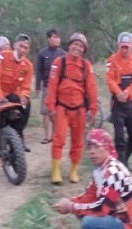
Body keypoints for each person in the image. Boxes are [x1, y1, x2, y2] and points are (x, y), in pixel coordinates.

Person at [51, 129, 132, 229]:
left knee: (88, 222)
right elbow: (90, 194)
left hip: (128, 226)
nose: (92, 151)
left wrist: (71, 207)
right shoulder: (101, 168)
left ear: (106, 148)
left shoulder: (113, 172)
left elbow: (101, 208)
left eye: (97, 146)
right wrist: (72, 202)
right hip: (118, 218)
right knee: (81, 213)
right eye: (89, 147)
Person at [45, 32, 98, 185]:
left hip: (79, 109)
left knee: (78, 142)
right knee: (58, 139)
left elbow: (92, 88)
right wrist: (51, 107)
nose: (77, 48)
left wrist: (93, 109)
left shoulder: (86, 66)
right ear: (69, 46)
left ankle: (73, 171)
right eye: (75, 44)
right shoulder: (58, 63)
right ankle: (56, 171)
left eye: (81, 46)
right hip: (62, 107)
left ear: (84, 50)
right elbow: (52, 85)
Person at [105, 32, 132, 167]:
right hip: (117, 104)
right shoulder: (112, 60)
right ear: (119, 46)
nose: (125, 50)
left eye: (127, 47)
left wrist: (127, 92)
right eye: (122, 47)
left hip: (130, 102)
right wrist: (118, 92)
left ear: (131, 46)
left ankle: (124, 160)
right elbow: (109, 79)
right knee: (119, 138)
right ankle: (120, 166)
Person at [0, 33, 34, 149]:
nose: (22, 50)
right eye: (21, 46)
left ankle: (18, 135)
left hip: (14, 94)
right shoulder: (3, 57)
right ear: (15, 45)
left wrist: (25, 96)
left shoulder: (28, 66)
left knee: (26, 105)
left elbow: (26, 85)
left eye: (26, 48)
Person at [36, 28, 66, 145]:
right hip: (47, 86)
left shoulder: (63, 54)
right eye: (54, 37)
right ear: (49, 39)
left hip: (60, 88)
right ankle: (46, 136)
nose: (56, 40)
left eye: (58, 37)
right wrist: (38, 86)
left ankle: (54, 136)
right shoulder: (42, 54)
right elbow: (38, 71)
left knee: (56, 112)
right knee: (46, 112)